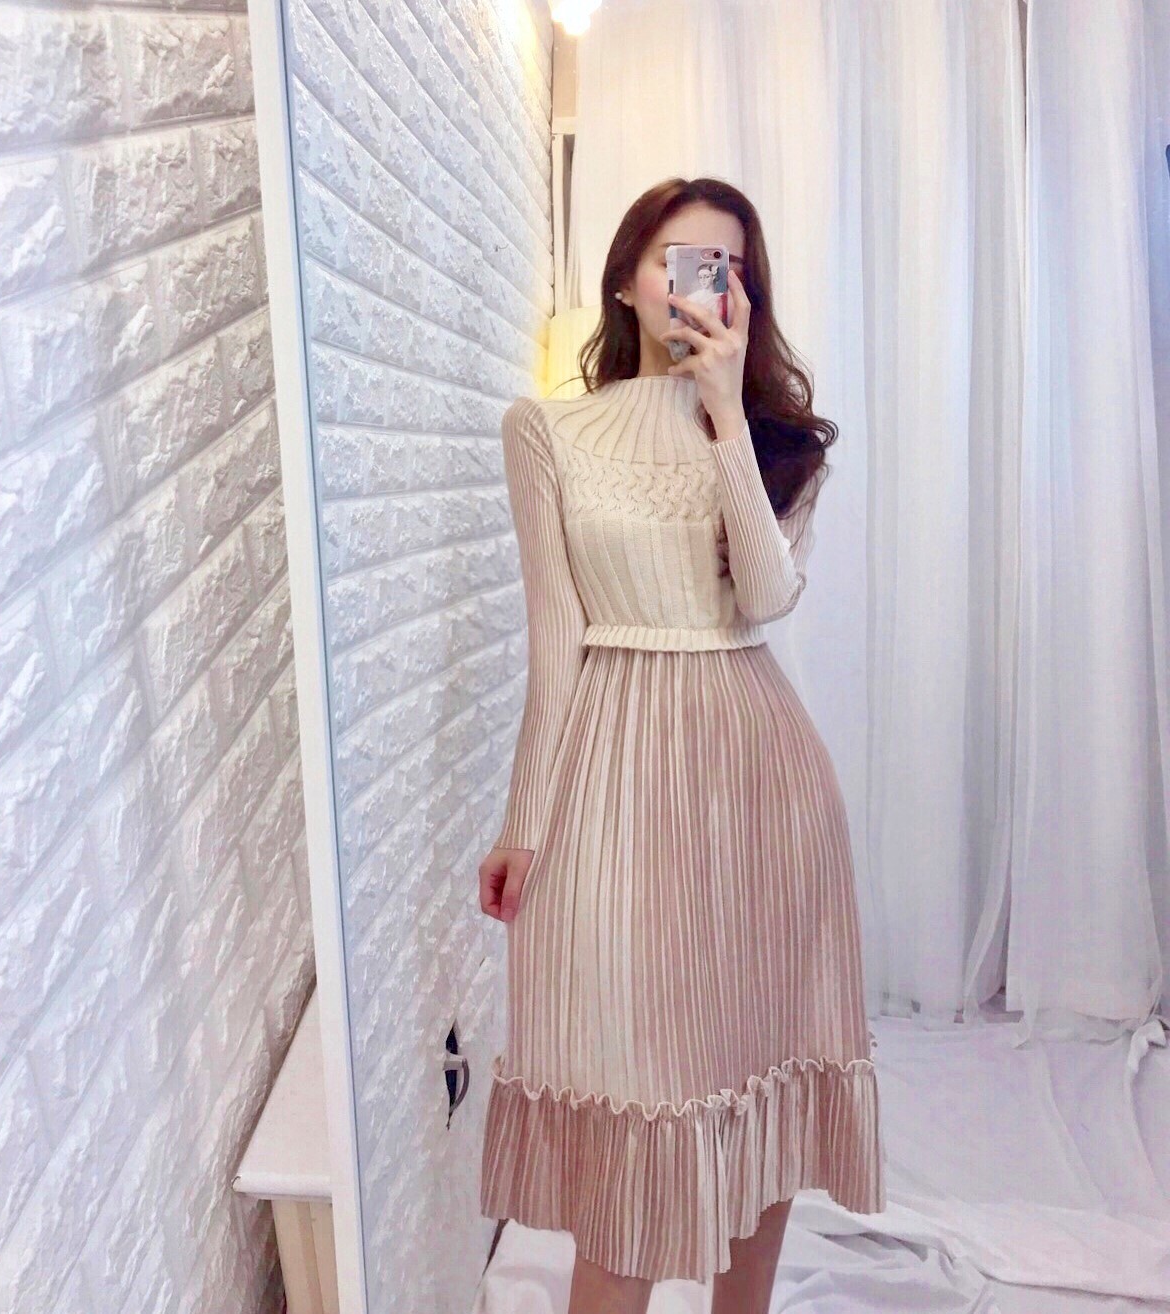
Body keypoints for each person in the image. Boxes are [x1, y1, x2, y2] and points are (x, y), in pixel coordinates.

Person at [478, 177, 885, 1314]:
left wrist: (724, 414)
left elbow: (765, 595)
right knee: (637, 1092)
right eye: (678, 260)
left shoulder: (779, 439)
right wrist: (524, 823)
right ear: (624, 279)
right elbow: (554, 639)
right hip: (614, 772)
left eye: (728, 267)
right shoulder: (546, 431)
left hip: (758, 778)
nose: (703, 286)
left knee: (759, 1075)